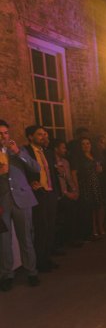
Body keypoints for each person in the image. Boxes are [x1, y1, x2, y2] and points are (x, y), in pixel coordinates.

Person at [0, 120, 41, 291]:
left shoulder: (19, 150)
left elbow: (36, 168)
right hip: (2, 202)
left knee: (26, 237)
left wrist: (17, 152)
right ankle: (7, 275)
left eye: (5, 133)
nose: (3, 137)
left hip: (22, 199)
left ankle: (31, 271)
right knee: (3, 241)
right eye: (0, 134)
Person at [24, 125, 60, 272]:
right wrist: (30, 182)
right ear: (30, 137)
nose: (43, 137)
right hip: (38, 193)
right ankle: (40, 262)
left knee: (50, 226)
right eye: (39, 134)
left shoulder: (48, 152)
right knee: (41, 228)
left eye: (44, 134)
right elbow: (23, 170)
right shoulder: (26, 151)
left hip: (51, 192)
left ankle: (47, 257)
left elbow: (52, 171)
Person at [72, 137, 104, 239]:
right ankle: (93, 229)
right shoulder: (79, 158)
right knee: (91, 208)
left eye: (88, 143)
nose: (86, 146)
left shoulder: (94, 156)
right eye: (83, 144)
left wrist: (99, 169)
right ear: (80, 146)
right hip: (86, 184)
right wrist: (76, 187)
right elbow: (74, 173)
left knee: (98, 206)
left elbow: (99, 171)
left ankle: (100, 227)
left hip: (96, 183)